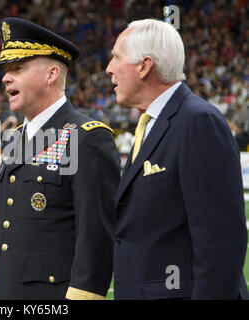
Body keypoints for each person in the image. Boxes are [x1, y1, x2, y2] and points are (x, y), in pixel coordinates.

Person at [106, 19, 248, 300]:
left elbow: (220, 246)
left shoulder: (198, 122)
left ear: (145, 66)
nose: (109, 68)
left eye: (116, 57)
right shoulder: (151, 124)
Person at [0, 17, 120, 300]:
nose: (5, 78)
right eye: (5, 70)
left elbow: (96, 236)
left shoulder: (87, 137)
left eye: (18, 68)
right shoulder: (17, 138)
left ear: (50, 74)